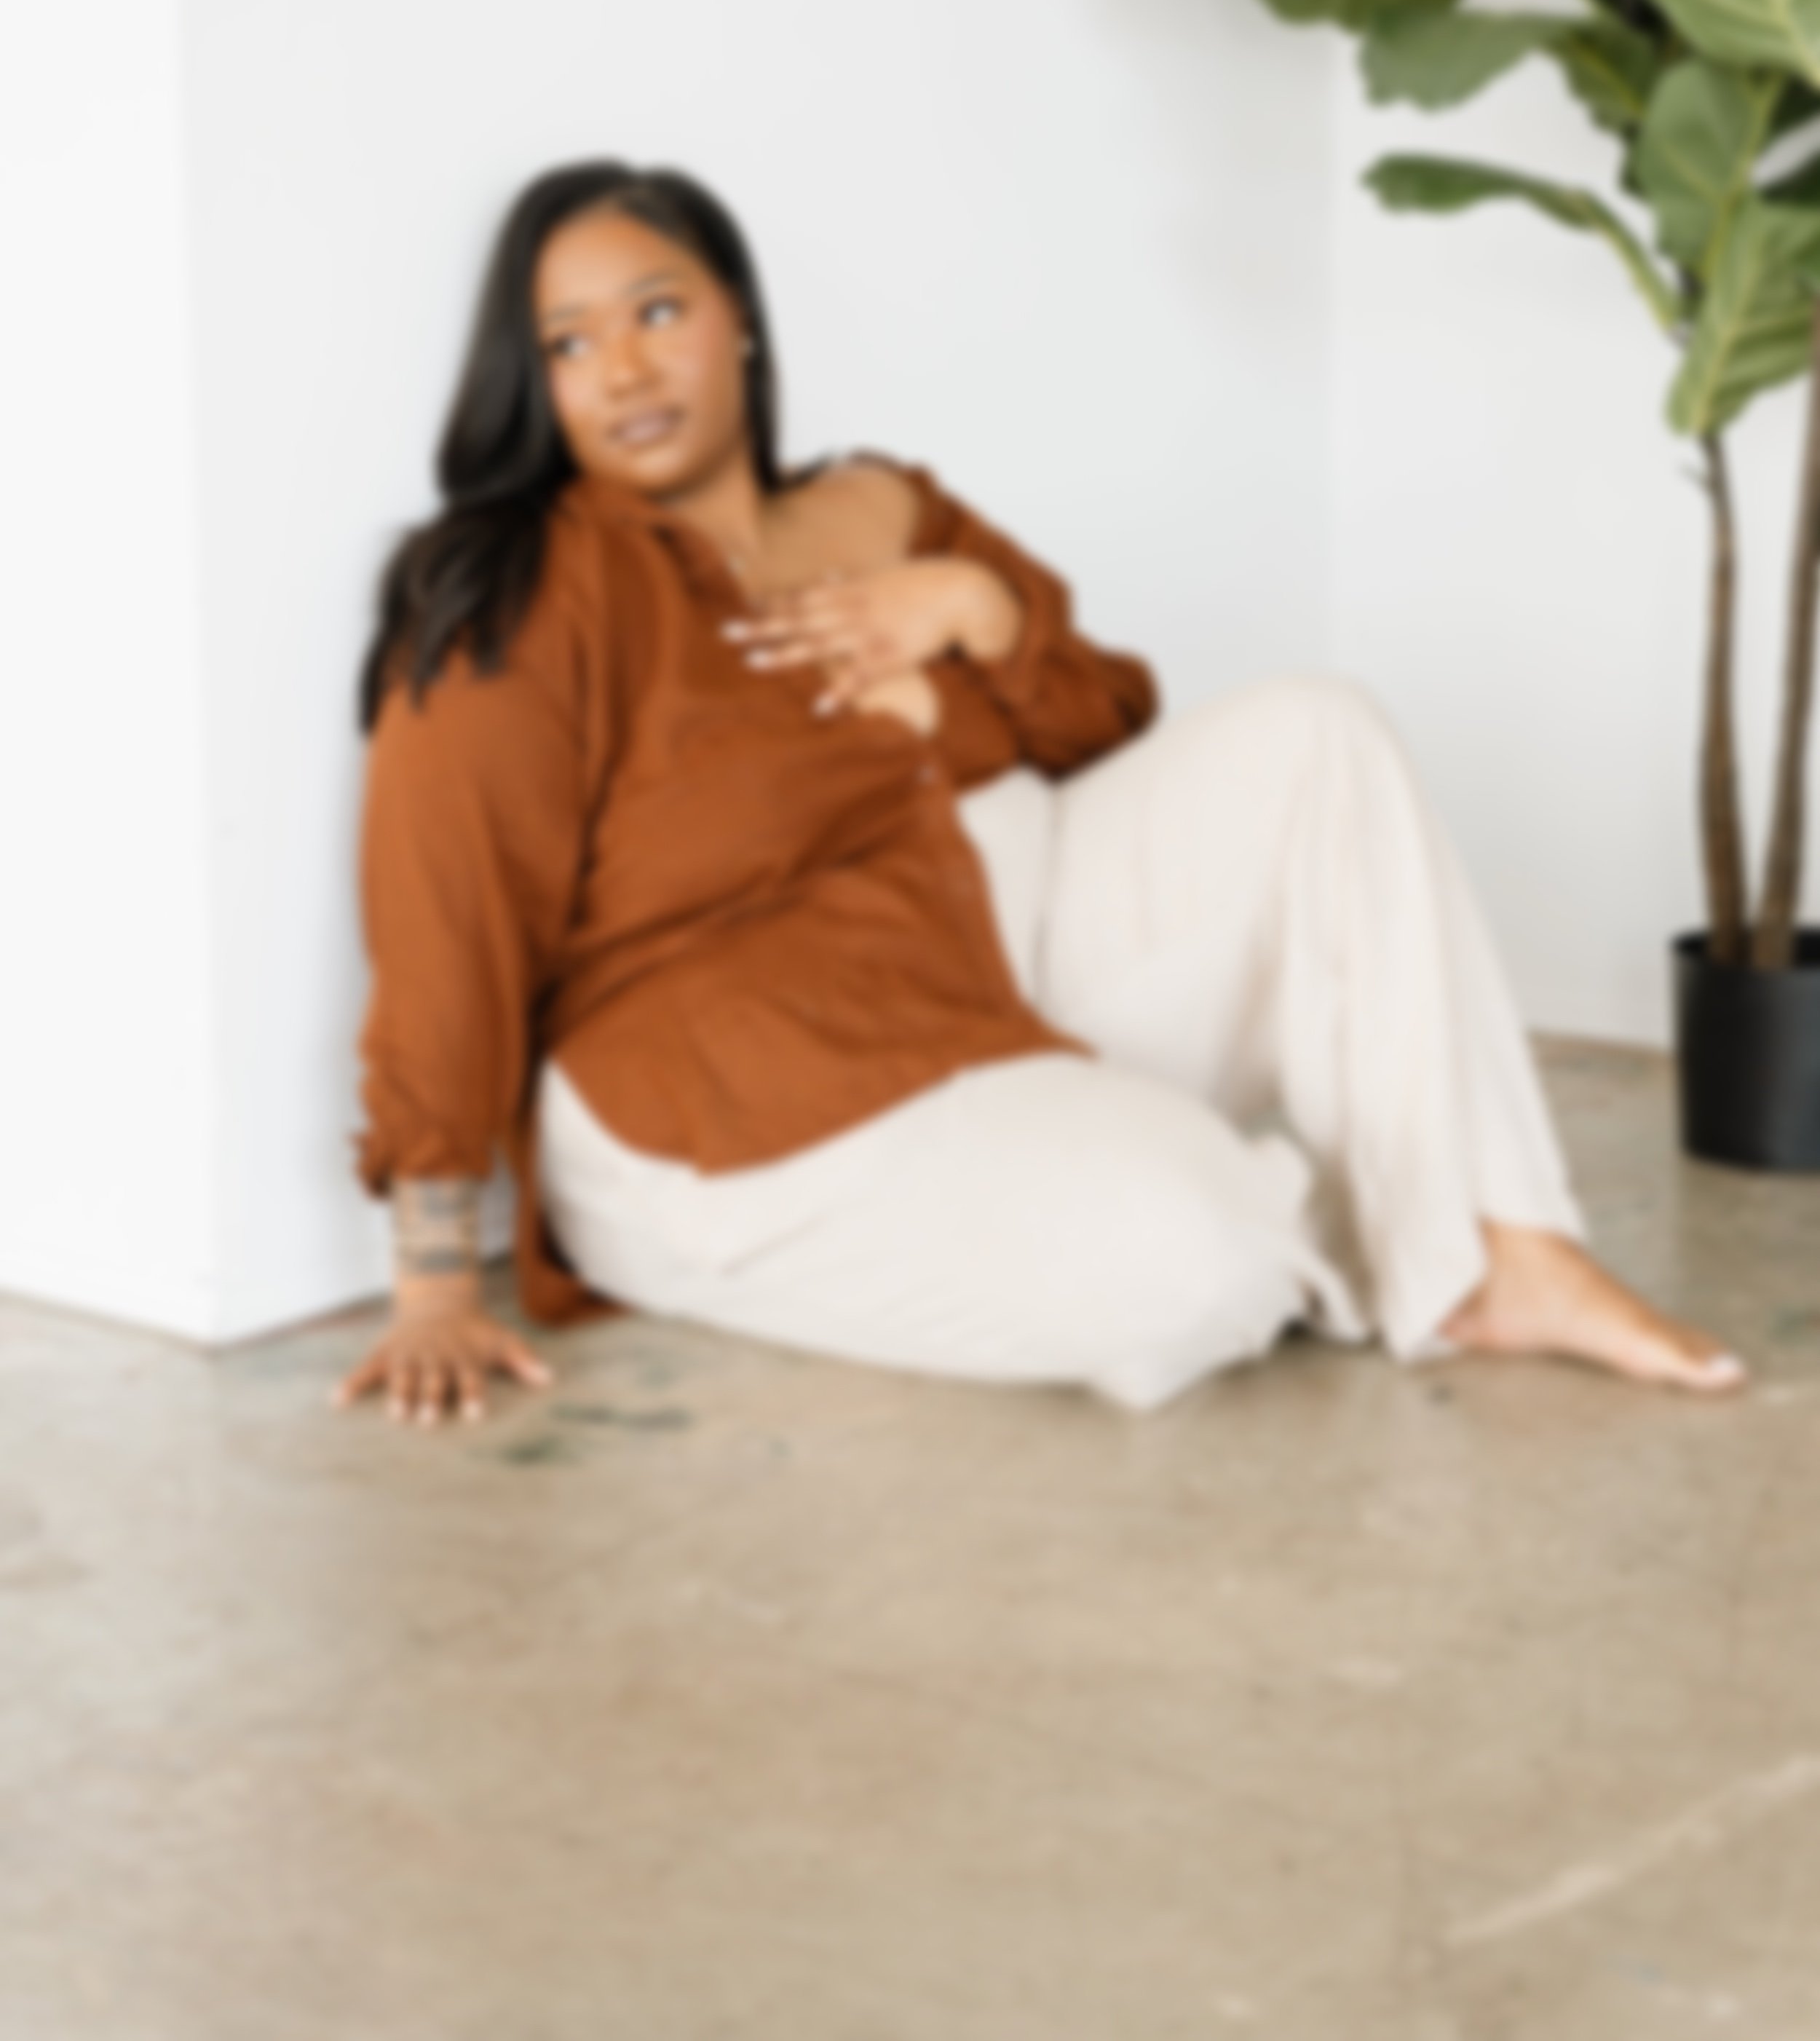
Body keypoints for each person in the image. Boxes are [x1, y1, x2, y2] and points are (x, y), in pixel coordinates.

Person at [336, 161, 1745, 1430]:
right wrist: (434, 1282)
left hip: (983, 971)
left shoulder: (882, 507)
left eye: (658, 311)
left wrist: (973, 605)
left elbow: (1102, 718)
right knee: (1192, 1260)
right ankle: (1325, 1206)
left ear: (739, 320)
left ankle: (1505, 1252)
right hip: (740, 1101)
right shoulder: (527, 586)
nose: (624, 370)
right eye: (568, 343)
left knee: (1318, 732)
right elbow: (446, 910)